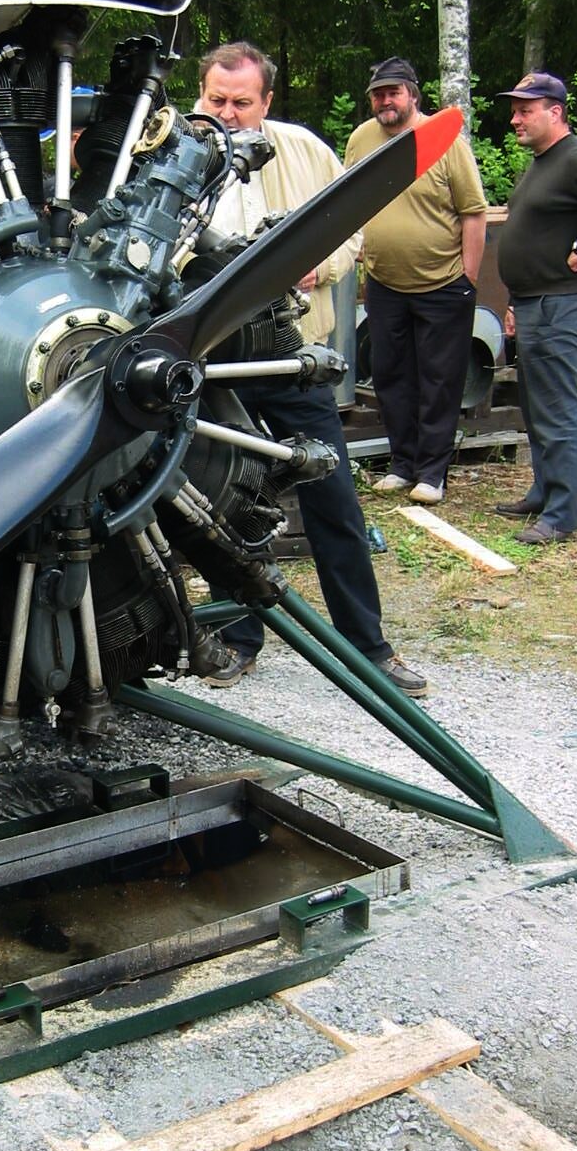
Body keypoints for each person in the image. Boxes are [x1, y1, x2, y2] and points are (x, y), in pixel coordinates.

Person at [195, 42, 428, 696]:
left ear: (266, 102)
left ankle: (368, 648)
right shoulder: (171, 155)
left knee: (334, 499)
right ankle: (237, 638)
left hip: (294, 353)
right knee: (224, 500)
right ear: (201, 94)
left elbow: (353, 227)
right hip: (211, 363)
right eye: (217, 100)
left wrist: (315, 267)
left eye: (243, 103)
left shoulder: (305, 151)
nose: (229, 114)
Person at [492, 72, 577, 544]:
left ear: (555, 112)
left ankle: (562, 515)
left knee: (556, 408)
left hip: (558, 302)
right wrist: (513, 299)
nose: (515, 119)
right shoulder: (541, 162)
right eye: (514, 110)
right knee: (534, 405)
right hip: (531, 301)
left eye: (525, 110)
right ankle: (543, 492)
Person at [343, 58, 486, 505]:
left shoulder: (443, 140)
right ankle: (403, 465)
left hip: (443, 283)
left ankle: (432, 473)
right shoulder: (362, 139)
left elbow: (474, 212)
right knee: (390, 376)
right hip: (385, 283)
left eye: (394, 92)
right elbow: (349, 197)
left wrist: (469, 277)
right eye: (378, 94)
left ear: (413, 95)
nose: (385, 101)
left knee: (440, 380)